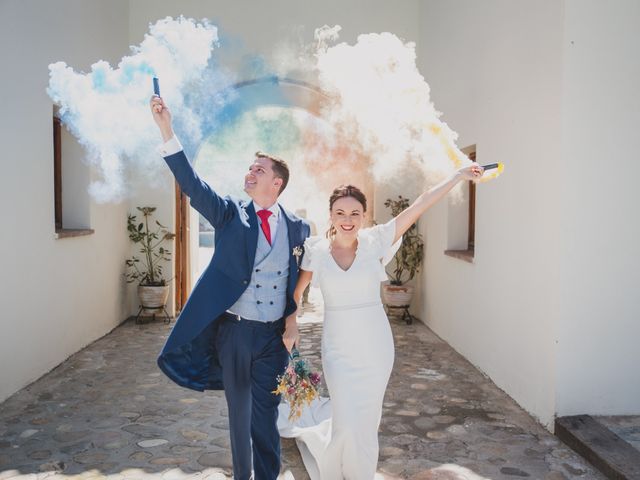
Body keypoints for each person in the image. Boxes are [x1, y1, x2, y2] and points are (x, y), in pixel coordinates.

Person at [279, 164, 483, 479]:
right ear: (331, 215)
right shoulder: (316, 250)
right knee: (345, 419)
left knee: (366, 421)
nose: (348, 220)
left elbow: (420, 204)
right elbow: (297, 293)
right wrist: (291, 320)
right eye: (341, 213)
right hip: (337, 347)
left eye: (355, 213)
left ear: (364, 215)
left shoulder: (377, 240)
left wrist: (458, 176)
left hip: (375, 346)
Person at [150, 95, 311, 480]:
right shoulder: (228, 213)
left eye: (259, 169)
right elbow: (192, 184)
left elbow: (303, 275)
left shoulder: (299, 228)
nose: (250, 173)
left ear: (277, 182)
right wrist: (166, 131)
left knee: (265, 418)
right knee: (239, 419)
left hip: (273, 337)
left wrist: (292, 319)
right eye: (249, 168)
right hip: (235, 334)